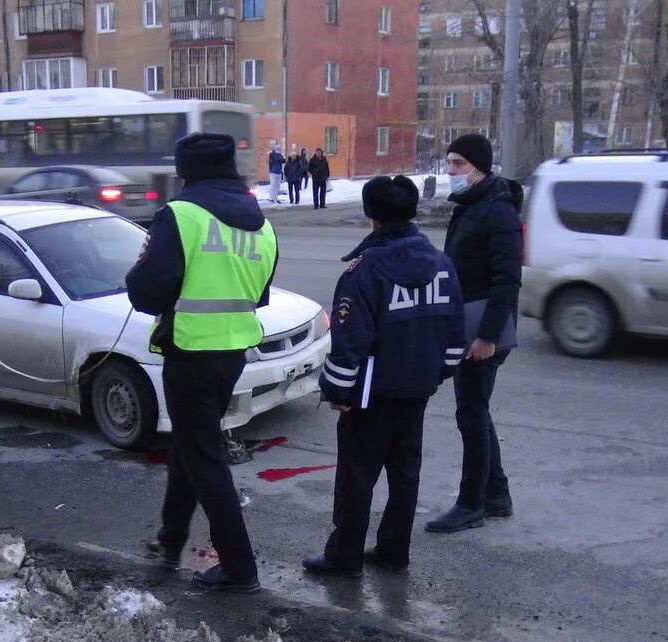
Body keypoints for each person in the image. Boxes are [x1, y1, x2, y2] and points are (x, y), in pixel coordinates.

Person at [127, 132, 278, 594]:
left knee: (204, 458)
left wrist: (139, 269)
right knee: (189, 447)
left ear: (185, 171)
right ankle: (170, 540)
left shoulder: (181, 215)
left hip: (190, 352)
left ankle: (239, 566)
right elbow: (260, 293)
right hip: (232, 352)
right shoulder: (261, 223)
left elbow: (148, 292)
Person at [302, 176, 466, 577]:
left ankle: (345, 558)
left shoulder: (364, 270)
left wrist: (338, 391)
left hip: (369, 396)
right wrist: (434, 375)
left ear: (371, 217)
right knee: (405, 475)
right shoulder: (443, 265)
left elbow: (349, 341)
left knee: (357, 478)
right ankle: (394, 551)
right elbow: (456, 335)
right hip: (416, 392)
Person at [425, 133, 523, 533]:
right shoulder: (472, 205)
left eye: (459, 165)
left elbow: (507, 281)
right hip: (470, 323)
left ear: (480, 167)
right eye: (449, 164)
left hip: (484, 329)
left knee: (471, 413)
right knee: (476, 409)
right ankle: (496, 495)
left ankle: (471, 504)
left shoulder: (496, 211)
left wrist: (487, 337)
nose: (451, 173)